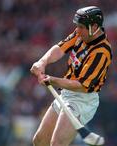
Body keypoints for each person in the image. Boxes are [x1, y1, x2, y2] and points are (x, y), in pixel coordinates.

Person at [30, 6, 112, 146]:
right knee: (40, 141)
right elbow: (60, 48)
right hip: (66, 93)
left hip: (82, 100)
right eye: (77, 26)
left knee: (57, 144)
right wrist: (42, 62)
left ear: (94, 26)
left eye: (81, 27)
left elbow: (82, 86)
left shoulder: (101, 52)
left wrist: (52, 80)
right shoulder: (80, 34)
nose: (78, 30)